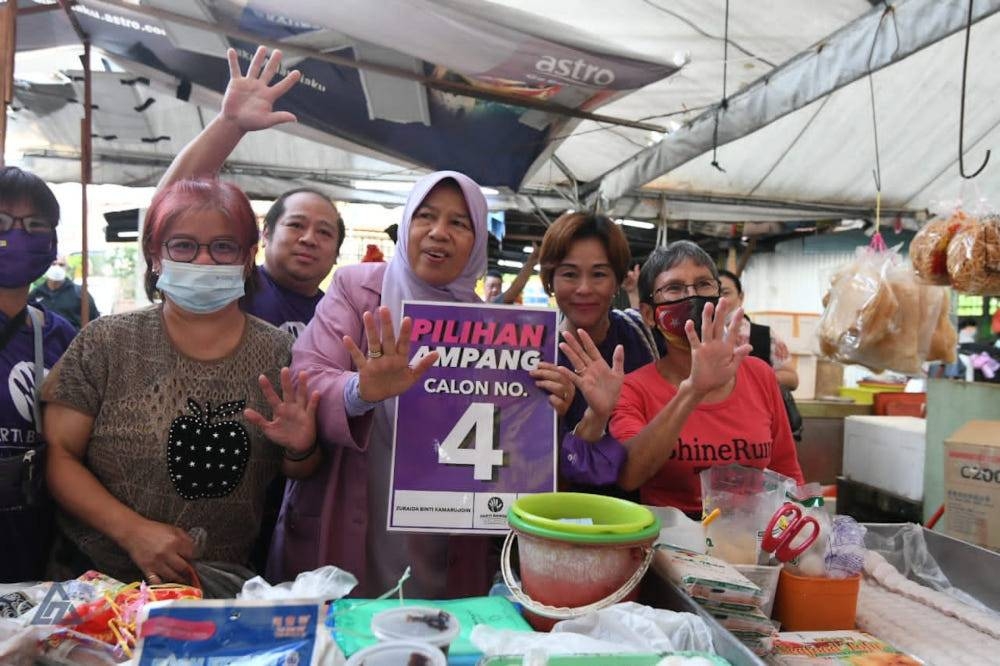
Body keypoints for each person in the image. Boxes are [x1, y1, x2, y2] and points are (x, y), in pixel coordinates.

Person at [267, 171, 573, 598]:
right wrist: (361, 390)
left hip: (447, 531)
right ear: (407, 223)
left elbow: (507, 440)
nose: (439, 233)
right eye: (426, 216)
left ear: (477, 241)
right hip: (355, 511)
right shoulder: (357, 289)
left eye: (459, 223)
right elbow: (307, 377)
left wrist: (543, 405)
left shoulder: (496, 328)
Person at [43, 179, 320, 588]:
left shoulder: (283, 353)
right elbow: (59, 455)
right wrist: (132, 531)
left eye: (223, 246)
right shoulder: (107, 342)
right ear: (155, 255)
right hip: (97, 585)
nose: (204, 261)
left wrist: (302, 447)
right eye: (184, 246)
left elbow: (299, 468)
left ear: (247, 257)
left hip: (225, 590)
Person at [159, 46, 344, 339]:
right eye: (296, 224)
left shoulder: (338, 316)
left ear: (337, 254)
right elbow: (170, 211)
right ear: (265, 234)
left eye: (324, 232)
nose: (309, 239)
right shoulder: (230, 286)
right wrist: (229, 126)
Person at [609, 242, 804, 515]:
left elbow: (787, 471)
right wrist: (693, 392)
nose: (692, 297)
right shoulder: (634, 388)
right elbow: (629, 474)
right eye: (674, 288)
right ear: (648, 314)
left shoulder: (759, 374)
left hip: (747, 542)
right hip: (671, 545)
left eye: (703, 285)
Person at [535, 212, 659, 500]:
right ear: (550, 281)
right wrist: (556, 419)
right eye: (569, 274)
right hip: (558, 517)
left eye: (599, 274)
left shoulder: (642, 335)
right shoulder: (533, 352)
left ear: (618, 281)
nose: (584, 288)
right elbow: (524, 467)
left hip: (640, 513)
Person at [0, 166, 77, 583]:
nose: (16, 235)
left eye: (35, 226)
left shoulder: (61, 335)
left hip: (36, 537)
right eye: (1, 224)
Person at [717, 269, 797, 390]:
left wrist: (753, 378)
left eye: (725, 293)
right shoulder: (694, 336)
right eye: (713, 294)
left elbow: (792, 379)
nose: (719, 300)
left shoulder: (764, 335)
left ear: (741, 297)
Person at [29, 256, 101, 330]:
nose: (57, 267)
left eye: (61, 265)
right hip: (43, 340)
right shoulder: (35, 294)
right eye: (53, 264)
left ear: (66, 267)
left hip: (72, 339)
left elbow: (95, 322)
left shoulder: (81, 294)